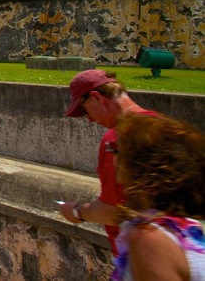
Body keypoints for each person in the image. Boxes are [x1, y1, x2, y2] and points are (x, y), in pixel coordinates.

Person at [59, 69, 160, 255]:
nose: (88, 118)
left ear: (97, 98)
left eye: (83, 109)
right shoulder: (162, 123)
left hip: (140, 253)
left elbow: (114, 211)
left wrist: (76, 212)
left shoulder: (115, 139)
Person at [109, 113, 205, 280]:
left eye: (116, 150)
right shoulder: (188, 227)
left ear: (137, 163)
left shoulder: (149, 238)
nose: (113, 157)